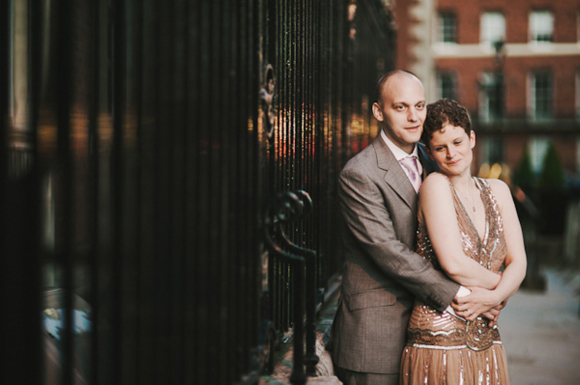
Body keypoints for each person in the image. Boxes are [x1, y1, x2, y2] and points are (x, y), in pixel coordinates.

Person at [330, 70, 500, 385]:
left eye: (419, 106)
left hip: (432, 334)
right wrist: (463, 296)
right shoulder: (359, 174)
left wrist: (492, 287)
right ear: (379, 112)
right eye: (401, 107)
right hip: (377, 337)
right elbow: (388, 252)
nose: (413, 117)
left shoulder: (434, 158)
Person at [399, 98, 527, 384]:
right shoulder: (434, 185)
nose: (451, 154)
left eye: (457, 142)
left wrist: (494, 297)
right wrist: (503, 286)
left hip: (487, 334)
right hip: (438, 340)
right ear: (430, 153)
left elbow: (519, 261)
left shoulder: (499, 190)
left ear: (472, 138)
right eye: (440, 148)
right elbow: (454, 263)